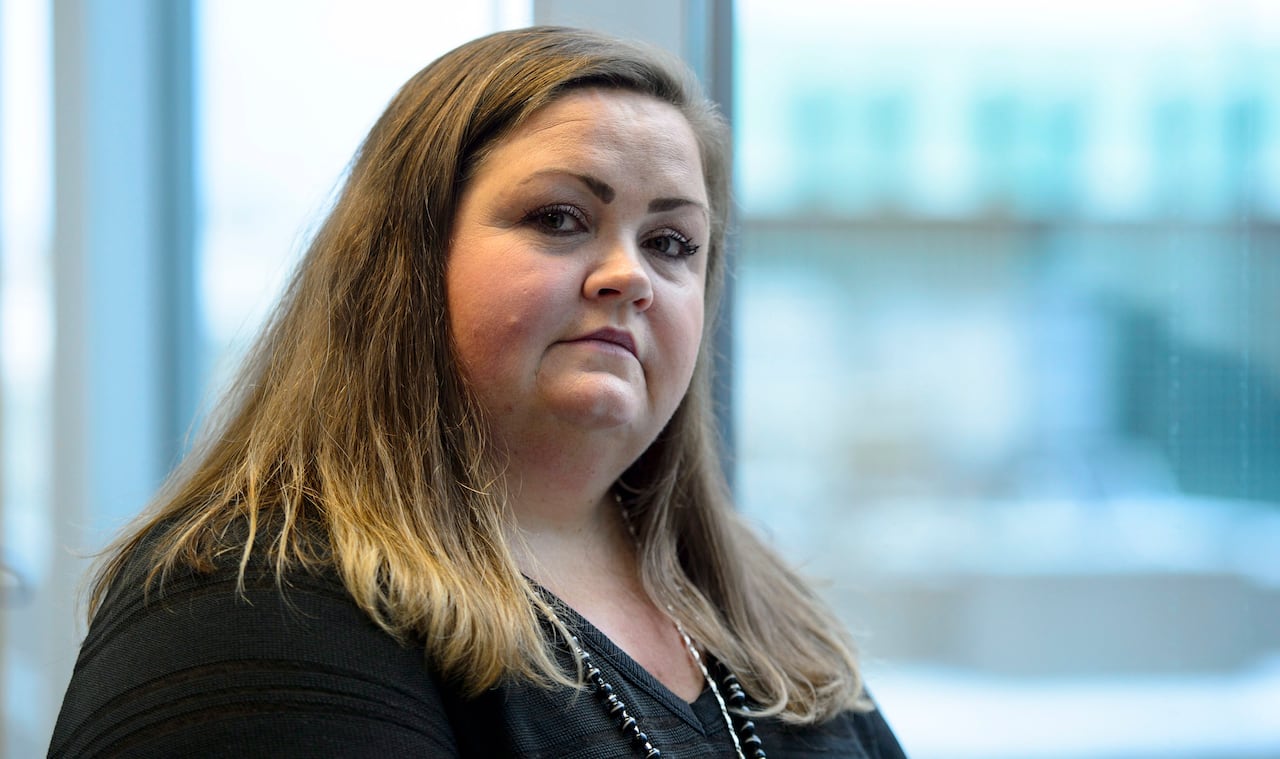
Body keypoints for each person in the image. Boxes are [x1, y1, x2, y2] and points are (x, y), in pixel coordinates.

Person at [49, 26, 907, 758]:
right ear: (406, 263)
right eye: (560, 218)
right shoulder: (248, 604)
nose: (630, 275)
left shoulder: (765, 616)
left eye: (673, 242)